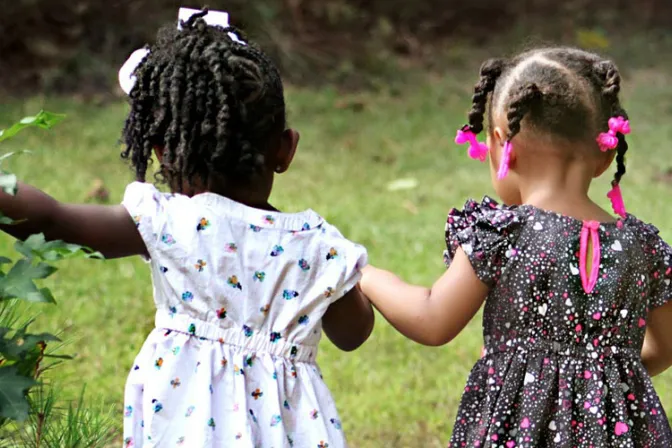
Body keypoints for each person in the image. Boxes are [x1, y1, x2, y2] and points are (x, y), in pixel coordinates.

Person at [0, 8, 373, 447]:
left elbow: (51, 220)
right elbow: (354, 333)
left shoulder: (171, 224)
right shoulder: (318, 248)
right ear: (285, 149)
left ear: (161, 151)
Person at [359, 47, 672, 446]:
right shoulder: (644, 247)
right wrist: (599, 374)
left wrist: (366, 276)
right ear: (606, 152)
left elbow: (432, 318)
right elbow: (664, 347)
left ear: (502, 143)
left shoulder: (505, 234)